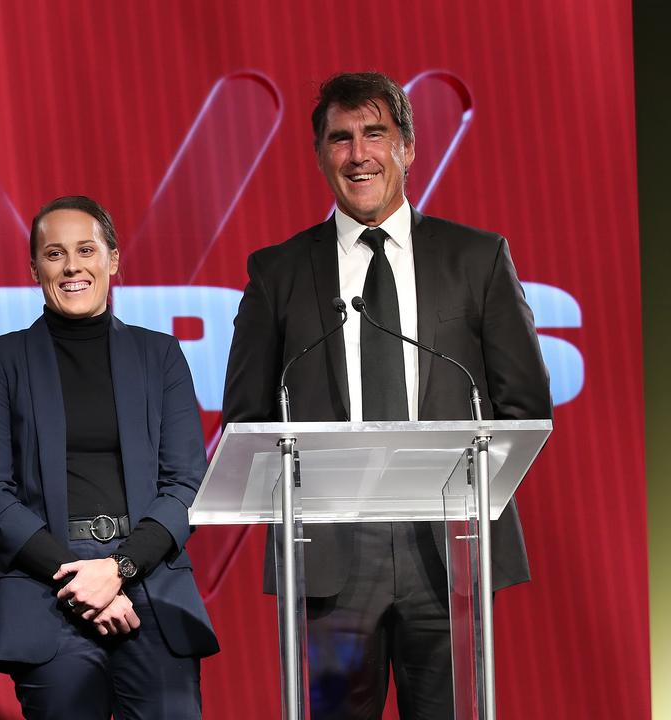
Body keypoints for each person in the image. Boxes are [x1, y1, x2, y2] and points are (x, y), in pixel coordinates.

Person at [222, 72, 552, 719]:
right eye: (340, 139)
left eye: (375, 133)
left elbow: (524, 406)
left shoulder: (477, 259)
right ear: (320, 155)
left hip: (449, 552)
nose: (358, 154)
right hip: (328, 562)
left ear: (407, 147)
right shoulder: (279, 273)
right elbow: (248, 419)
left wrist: (472, 492)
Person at [0, 196, 219, 719]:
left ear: (113, 259)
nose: (73, 266)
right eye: (54, 254)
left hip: (149, 575)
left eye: (86, 249)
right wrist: (82, 579)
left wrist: (119, 568)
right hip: (46, 584)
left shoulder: (161, 355)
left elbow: (186, 484)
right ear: (34, 267)